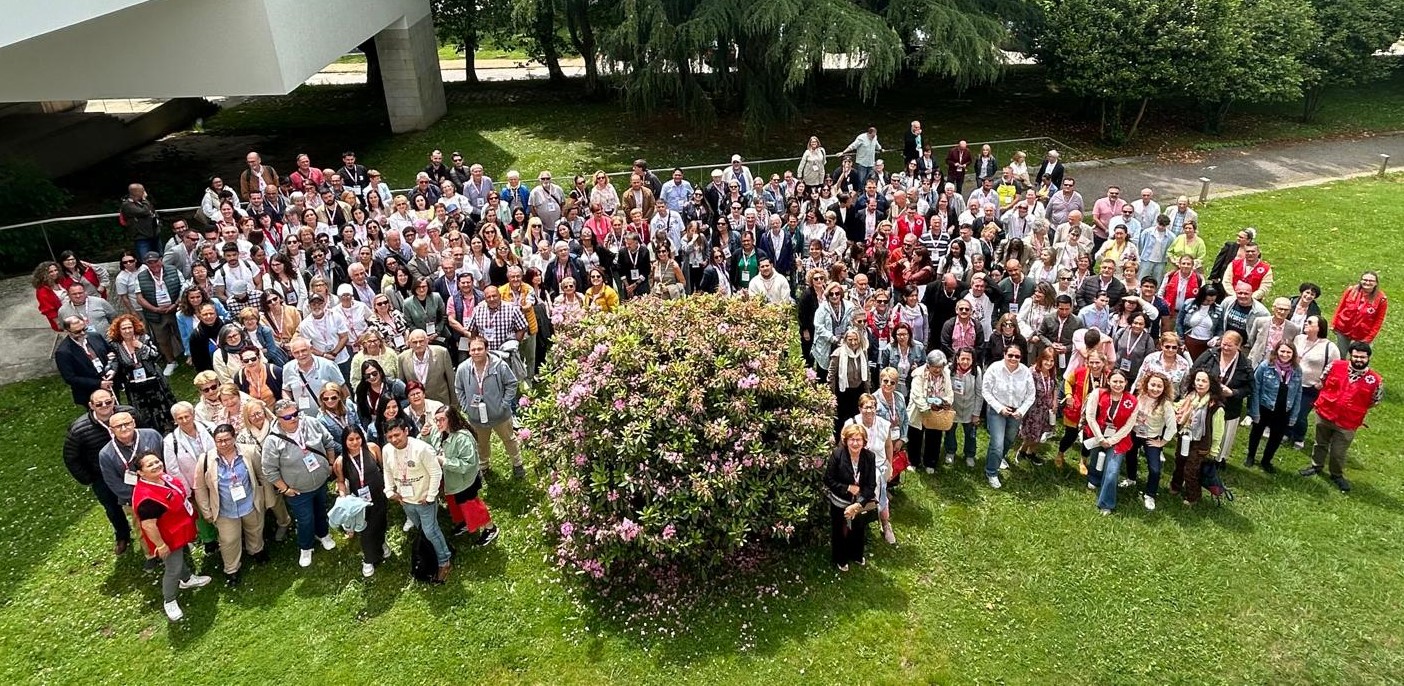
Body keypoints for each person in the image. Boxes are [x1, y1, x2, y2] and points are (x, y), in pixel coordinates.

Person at [132, 453, 211, 621]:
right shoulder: (147, 498)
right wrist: (161, 545)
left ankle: (187, 579)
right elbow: (148, 525)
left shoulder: (163, 478)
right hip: (168, 538)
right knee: (172, 568)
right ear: (140, 472)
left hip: (178, 531)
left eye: (156, 461)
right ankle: (169, 600)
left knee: (179, 559)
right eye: (149, 465)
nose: (156, 466)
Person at [260, 399, 338, 567]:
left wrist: (330, 465)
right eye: (287, 417)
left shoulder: (311, 423)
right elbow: (269, 470)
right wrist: (285, 489)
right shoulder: (273, 441)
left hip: (320, 482)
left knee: (320, 511)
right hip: (298, 490)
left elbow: (328, 442)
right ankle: (306, 547)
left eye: (295, 414)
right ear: (278, 419)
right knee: (305, 519)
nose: (293, 419)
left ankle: (323, 534)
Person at [1300, 342, 1384, 492]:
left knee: (1338, 451)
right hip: (1325, 413)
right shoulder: (1335, 366)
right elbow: (1322, 381)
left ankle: (1336, 474)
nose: (1359, 359)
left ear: (1368, 358)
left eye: (1362, 357)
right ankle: (1316, 466)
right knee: (1320, 443)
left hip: (1348, 422)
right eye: (1356, 356)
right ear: (1350, 355)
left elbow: (1374, 401)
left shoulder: (1375, 380)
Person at [192, 424, 268, 586]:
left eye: (227, 439)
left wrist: (267, 499)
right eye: (219, 441)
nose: (224, 444)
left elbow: (262, 475)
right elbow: (199, 487)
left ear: (234, 438)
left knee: (254, 530)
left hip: (250, 502)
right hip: (224, 510)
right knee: (228, 540)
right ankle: (232, 569)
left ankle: (256, 551)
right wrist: (206, 511)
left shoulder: (249, 452)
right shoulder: (205, 459)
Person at [63, 390, 137, 555]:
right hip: (102, 477)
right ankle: (122, 535)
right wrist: (89, 478)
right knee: (112, 507)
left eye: (108, 402)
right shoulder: (79, 430)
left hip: (134, 470)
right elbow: (71, 458)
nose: (105, 406)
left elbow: (144, 434)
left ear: (113, 400)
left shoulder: (128, 414)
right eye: (99, 404)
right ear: (91, 406)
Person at [381, 419, 453, 582]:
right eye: (390, 437)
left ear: (406, 431)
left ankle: (444, 561)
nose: (394, 440)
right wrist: (389, 491)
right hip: (405, 501)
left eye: (397, 435)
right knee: (426, 530)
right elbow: (387, 471)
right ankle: (437, 548)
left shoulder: (422, 449)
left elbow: (436, 473)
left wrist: (430, 496)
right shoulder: (387, 450)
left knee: (429, 530)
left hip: (423, 500)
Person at [454, 335, 525, 479]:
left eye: (479, 349)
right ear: (468, 351)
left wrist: (504, 404)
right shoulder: (463, 369)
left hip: (500, 415)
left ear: (487, 349)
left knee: (509, 439)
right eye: (473, 349)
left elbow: (511, 384)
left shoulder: (499, 365)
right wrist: (466, 406)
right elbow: (458, 388)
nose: (476, 352)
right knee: (481, 444)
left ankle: (517, 464)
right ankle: (484, 466)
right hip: (476, 416)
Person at [434, 405, 499, 544]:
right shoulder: (445, 433)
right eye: (436, 420)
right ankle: (465, 522)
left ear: (451, 419)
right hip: (453, 481)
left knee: (471, 506)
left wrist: (444, 461)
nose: (438, 423)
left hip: (465, 482)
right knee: (456, 505)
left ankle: (490, 528)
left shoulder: (463, 438)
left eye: (441, 420)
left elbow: (467, 464)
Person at [106, 314, 178, 434]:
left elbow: (156, 355)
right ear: (118, 330)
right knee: (142, 410)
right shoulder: (115, 345)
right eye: (124, 328)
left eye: (130, 327)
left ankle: (169, 428)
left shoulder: (144, 338)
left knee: (162, 406)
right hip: (134, 383)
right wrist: (111, 371)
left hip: (153, 379)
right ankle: (149, 430)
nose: (127, 331)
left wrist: (141, 347)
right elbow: (114, 362)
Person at [333, 425, 389, 577]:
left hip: (379, 495)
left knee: (381, 523)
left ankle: (381, 542)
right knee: (366, 531)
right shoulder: (340, 461)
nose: (355, 442)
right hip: (360, 502)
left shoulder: (372, 448)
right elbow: (340, 482)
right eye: (350, 439)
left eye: (358, 438)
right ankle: (369, 559)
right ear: (344, 441)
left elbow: (384, 468)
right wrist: (342, 496)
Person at [1190, 330, 1252, 463]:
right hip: (1205, 403)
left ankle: (1218, 459)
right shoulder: (1210, 355)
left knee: (1223, 433)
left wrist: (1233, 392)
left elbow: (1249, 387)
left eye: (1230, 346)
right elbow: (1194, 371)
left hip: (1230, 407)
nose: (1225, 347)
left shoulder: (1245, 364)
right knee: (1204, 429)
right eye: (1224, 344)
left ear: (1238, 346)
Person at [1084, 369, 1140, 515]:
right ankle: (1094, 479)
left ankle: (1106, 503)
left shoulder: (1132, 401)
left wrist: (1112, 440)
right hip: (1098, 433)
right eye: (1114, 381)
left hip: (1120, 438)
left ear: (1126, 383)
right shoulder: (1098, 393)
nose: (1118, 384)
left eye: (1121, 381)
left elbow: (1129, 425)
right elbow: (1090, 416)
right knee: (1096, 457)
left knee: (1112, 471)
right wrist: (1101, 438)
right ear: (1108, 381)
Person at [824, 424, 877, 572]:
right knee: (840, 531)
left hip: (858, 504)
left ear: (864, 441)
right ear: (846, 441)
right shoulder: (837, 454)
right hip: (839, 502)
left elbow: (871, 485)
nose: (855, 443)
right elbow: (828, 479)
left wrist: (858, 505)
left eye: (858, 440)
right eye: (852, 439)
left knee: (858, 529)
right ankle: (840, 559)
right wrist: (847, 488)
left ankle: (856, 555)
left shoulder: (869, 457)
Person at [981, 345, 1035, 489]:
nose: (1013, 359)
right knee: (997, 443)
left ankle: (998, 458)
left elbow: (1031, 395)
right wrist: (999, 408)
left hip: (1016, 412)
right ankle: (991, 472)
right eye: (1010, 355)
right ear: (1004, 354)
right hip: (997, 410)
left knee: (1009, 440)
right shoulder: (994, 368)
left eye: (1017, 356)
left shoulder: (1025, 372)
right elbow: (985, 391)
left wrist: (1021, 411)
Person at [1245, 341, 1303, 474]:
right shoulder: (1265, 366)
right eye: (1282, 351)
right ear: (1276, 351)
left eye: (1289, 352)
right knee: (1256, 433)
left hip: (1284, 410)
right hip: (1265, 406)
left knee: (1276, 437)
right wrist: (1254, 411)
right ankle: (1251, 456)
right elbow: (1256, 388)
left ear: (1293, 354)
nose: (1285, 354)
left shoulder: (1297, 370)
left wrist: (1294, 414)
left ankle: (1266, 460)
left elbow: (1298, 393)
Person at [1125, 371, 1178, 511]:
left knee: (1155, 469)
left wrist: (1162, 442)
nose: (1155, 388)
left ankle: (1150, 494)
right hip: (1135, 434)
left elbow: (1172, 427)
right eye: (1152, 385)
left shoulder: (1165, 404)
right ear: (1146, 384)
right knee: (1130, 457)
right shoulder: (1139, 396)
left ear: (1164, 388)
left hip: (1151, 438)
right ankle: (1131, 479)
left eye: (1159, 386)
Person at [1288, 315, 1339, 450]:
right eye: (1306, 321)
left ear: (1319, 327)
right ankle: (1287, 433)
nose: (1306, 323)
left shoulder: (1329, 347)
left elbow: (1336, 368)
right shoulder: (1299, 339)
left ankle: (1299, 437)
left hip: (1311, 387)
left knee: (1300, 414)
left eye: (1310, 322)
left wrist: (1322, 382)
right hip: (1292, 382)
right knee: (1288, 409)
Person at [1172, 370, 1221, 506]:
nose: (1200, 383)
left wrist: (1214, 450)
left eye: (1204, 381)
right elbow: (1178, 407)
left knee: (1191, 469)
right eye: (1198, 380)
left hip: (1201, 443)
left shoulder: (1215, 406)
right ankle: (1175, 487)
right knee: (1179, 462)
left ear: (1211, 384)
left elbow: (1217, 431)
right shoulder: (1189, 398)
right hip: (1185, 436)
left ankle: (1192, 496)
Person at [905, 350, 952, 474]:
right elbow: (916, 395)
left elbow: (949, 392)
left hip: (937, 411)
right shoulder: (918, 374)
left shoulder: (946, 374)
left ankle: (930, 462)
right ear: (928, 365)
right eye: (934, 367)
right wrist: (927, 408)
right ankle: (913, 461)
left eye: (940, 367)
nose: (937, 370)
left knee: (934, 436)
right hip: (919, 411)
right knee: (915, 437)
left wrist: (945, 403)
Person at [1016, 347, 1058, 466]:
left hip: (1046, 409)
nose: (1049, 363)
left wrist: (1055, 402)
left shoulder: (1052, 371)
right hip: (1033, 409)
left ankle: (1031, 453)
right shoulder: (1032, 372)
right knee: (1030, 434)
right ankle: (1022, 451)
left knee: (1040, 434)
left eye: (1052, 361)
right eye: (1046, 360)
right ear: (1041, 359)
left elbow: (1054, 386)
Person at [828, 328, 871, 438]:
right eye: (850, 339)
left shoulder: (863, 352)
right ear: (845, 340)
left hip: (858, 391)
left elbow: (867, 373)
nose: (853, 343)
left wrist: (867, 393)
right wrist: (831, 395)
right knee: (842, 420)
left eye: (855, 339)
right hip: (843, 393)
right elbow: (831, 376)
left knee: (857, 419)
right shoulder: (838, 354)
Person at [397, 329, 457, 407]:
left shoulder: (442, 353)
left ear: (427, 340)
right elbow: (402, 385)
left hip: (441, 402)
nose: (418, 345)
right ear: (409, 343)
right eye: (414, 342)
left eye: (421, 341)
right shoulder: (402, 358)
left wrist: (454, 404)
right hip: (417, 405)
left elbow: (451, 380)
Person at [1331, 271, 1387, 351]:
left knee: (1359, 359)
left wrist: (1370, 337)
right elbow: (1340, 306)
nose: (1367, 282)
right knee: (1340, 356)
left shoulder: (1381, 299)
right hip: (1343, 329)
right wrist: (1334, 323)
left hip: (1363, 334)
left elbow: (1379, 320)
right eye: (1365, 280)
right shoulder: (1351, 291)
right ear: (1361, 281)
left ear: (1376, 283)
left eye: (1371, 281)